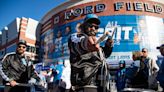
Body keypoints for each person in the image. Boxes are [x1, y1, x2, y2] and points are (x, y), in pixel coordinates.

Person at [68, 14, 114, 92]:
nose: (93, 28)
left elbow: (104, 55)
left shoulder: (98, 47)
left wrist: (108, 46)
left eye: (96, 27)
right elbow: (77, 44)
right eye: (90, 26)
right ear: (84, 26)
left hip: (101, 87)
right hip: (84, 87)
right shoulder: (76, 37)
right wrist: (85, 44)